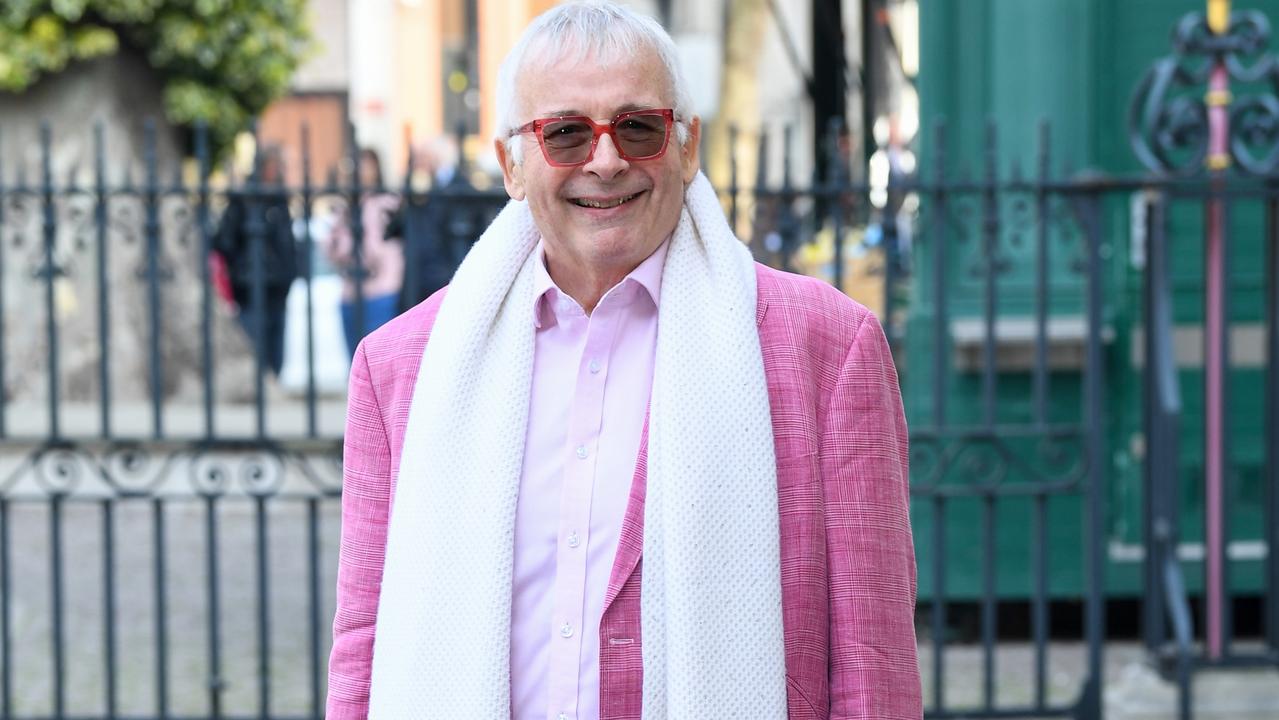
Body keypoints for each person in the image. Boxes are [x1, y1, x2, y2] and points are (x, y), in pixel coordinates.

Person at [327, 2, 921, 718]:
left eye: (637, 127)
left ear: (686, 146)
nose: (605, 161)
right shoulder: (400, 369)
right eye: (566, 133)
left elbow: (873, 672)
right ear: (512, 164)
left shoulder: (827, 348)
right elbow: (364, 646)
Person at [214, 145, 297, 375]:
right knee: (255, 349)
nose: (279, 170)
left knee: (276, 353)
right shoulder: (243, 199)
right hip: (251, 288)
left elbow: (288, 244)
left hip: (278, 289)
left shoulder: (279, 199)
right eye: (275, 165)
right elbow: (225, 242)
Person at [325, 148, 404, 358]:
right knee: (355, 366)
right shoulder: (346, 207)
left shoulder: (387, 203)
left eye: (366, 166)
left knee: (380, 362)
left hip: (380, 292)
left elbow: (374, 251)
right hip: (350, 294)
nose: (361, 172)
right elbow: (334, 252)